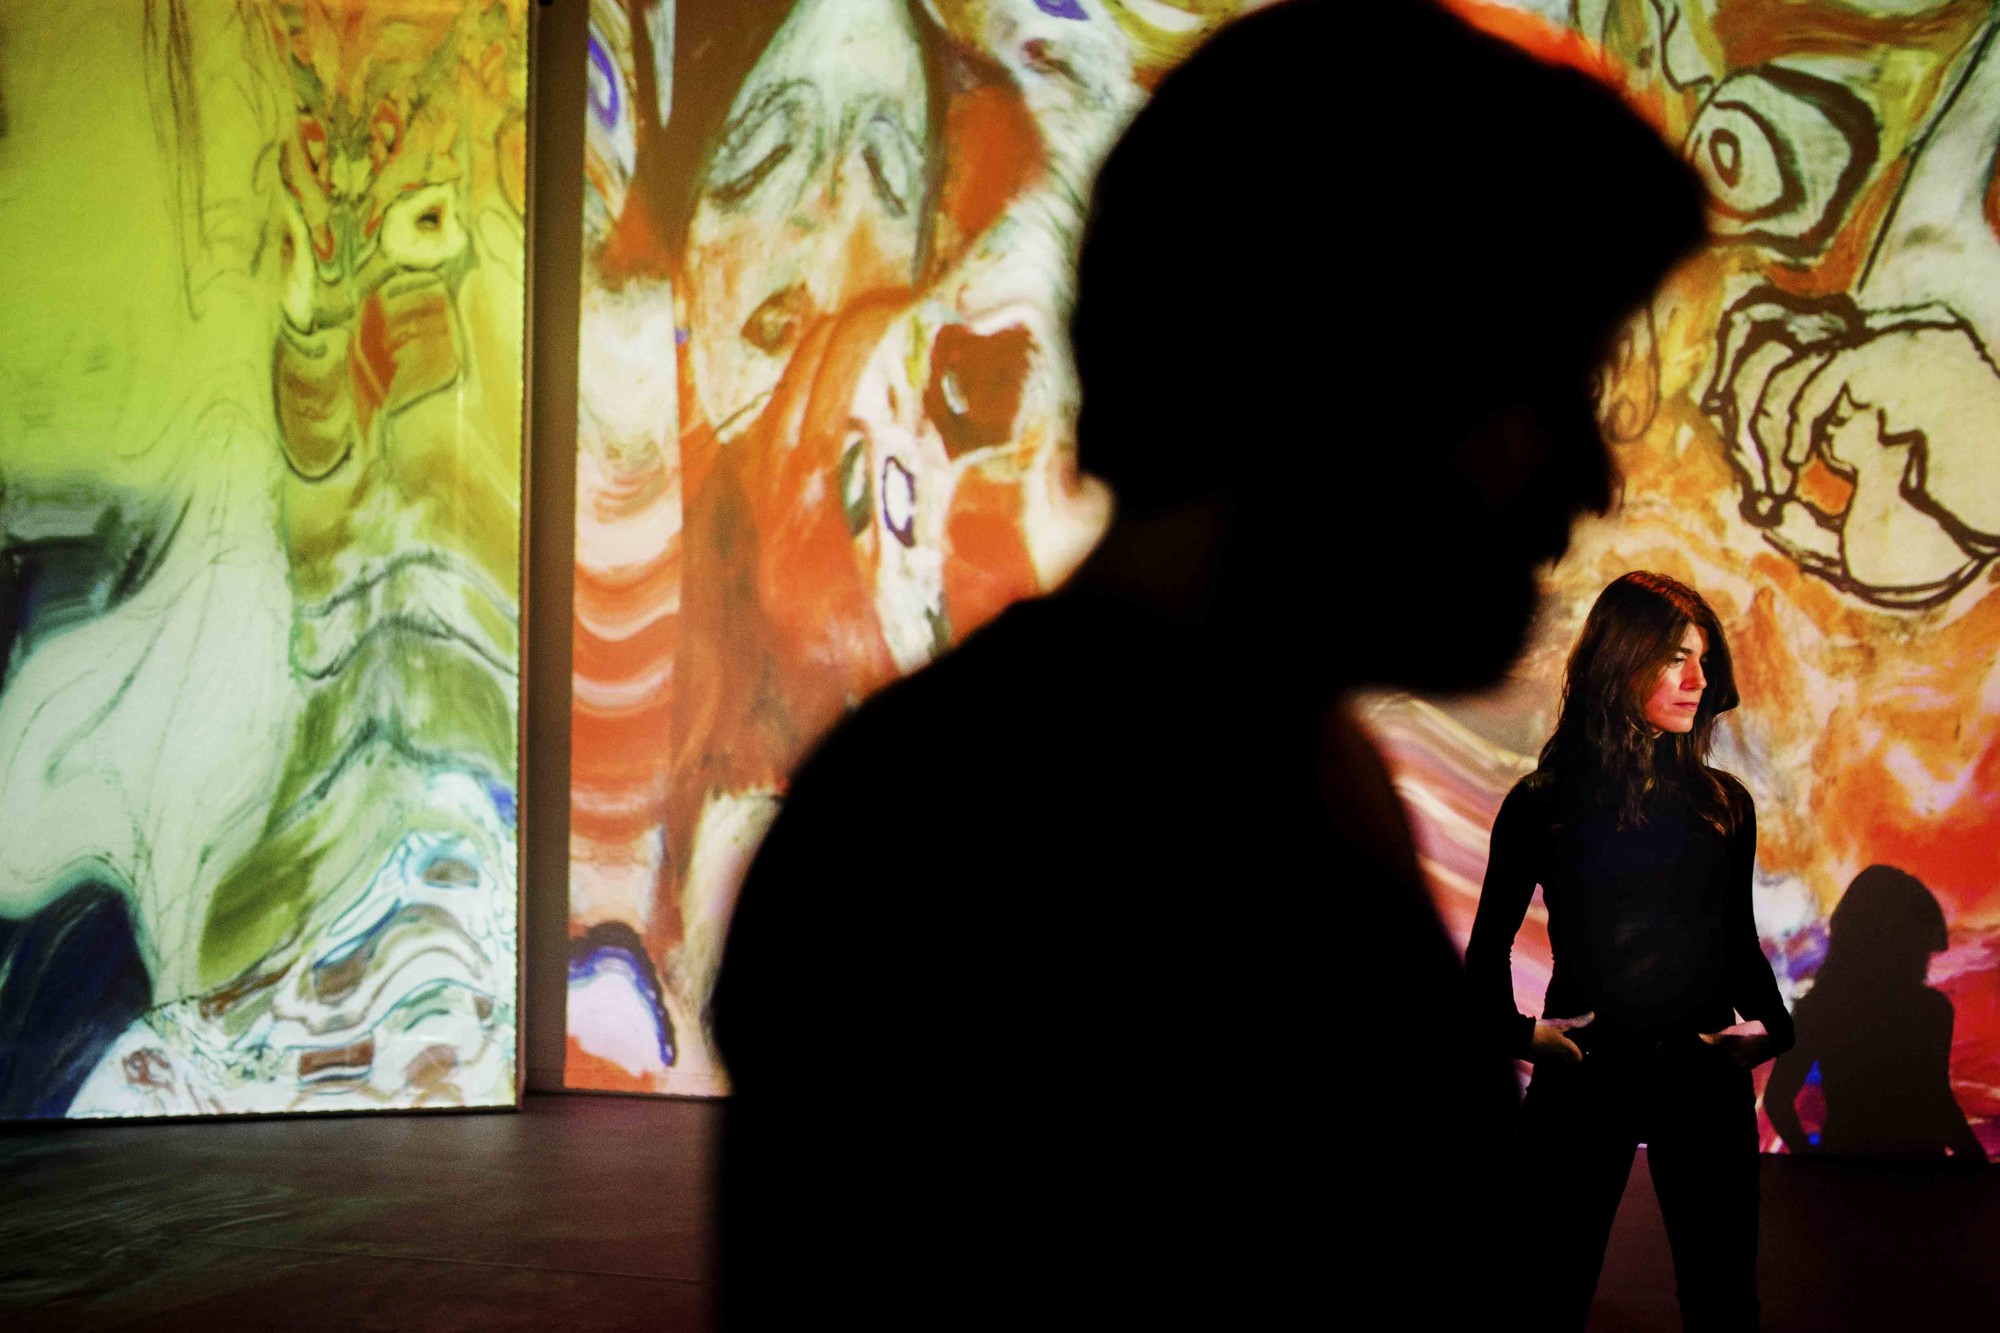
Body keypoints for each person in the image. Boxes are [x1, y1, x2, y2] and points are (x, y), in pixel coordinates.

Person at [710, 2, 1706, 1326]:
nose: (1587, 479)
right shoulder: (970, 845)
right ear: (1348, 366)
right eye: (1544, 386)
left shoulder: (1263, 771)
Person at [1465, 570, 1797, 1330]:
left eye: (1704, 660)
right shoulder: (1542, 803)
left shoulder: (1724, 805)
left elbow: (1737, 940)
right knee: (1544, 1299)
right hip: (1585, 1076)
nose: (1698, 680)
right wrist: (1521, 1036)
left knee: (1724, 1306)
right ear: (1623, 659)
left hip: (1702, 1079)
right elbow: (1487, 952)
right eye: (1677, 658)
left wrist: (1776, 1027)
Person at [1765, 864, 1985, 1163]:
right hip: (1919, 1172)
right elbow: (1937, 1101)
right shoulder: (1930, 1011)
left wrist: (1809, 1160)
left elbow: (1778, 1099)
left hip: (1844, 1172)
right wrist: (1974, 1161)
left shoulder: (1818, 1010)